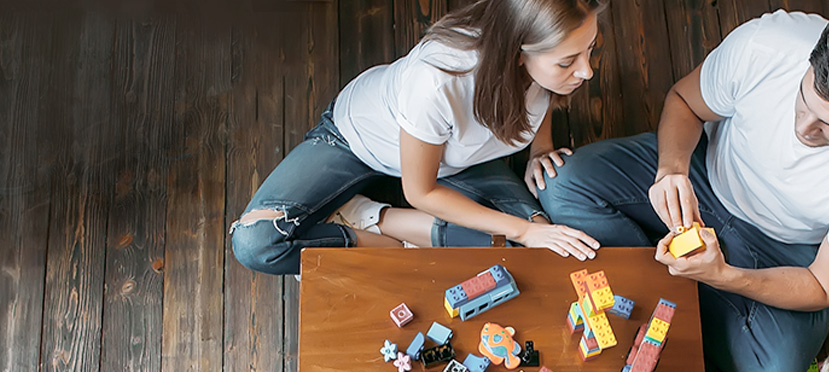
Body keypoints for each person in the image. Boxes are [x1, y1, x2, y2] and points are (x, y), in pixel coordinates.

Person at [537, 0, 829, 372]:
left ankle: (664, 286)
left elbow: (822, 285)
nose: (804, 128)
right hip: (701, 175)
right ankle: (681, 294)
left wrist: (727, 276)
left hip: (782, 250)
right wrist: (672, 169)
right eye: (804, 100)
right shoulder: (768, 43)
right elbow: (685, 102)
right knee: (560, 185)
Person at [231, 0, 605, 276]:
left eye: (590, 50)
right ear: (518, 52)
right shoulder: (438, 80)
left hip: (458, 161)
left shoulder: (544, 65)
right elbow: (420, 192)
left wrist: (540, 149)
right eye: (567, 61)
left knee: (539, 249)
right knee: (257, 244)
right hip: (357, 143)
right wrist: (521, 228)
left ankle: (378, 217)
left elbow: (543, 97)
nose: (586, 72)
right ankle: (372, 227)